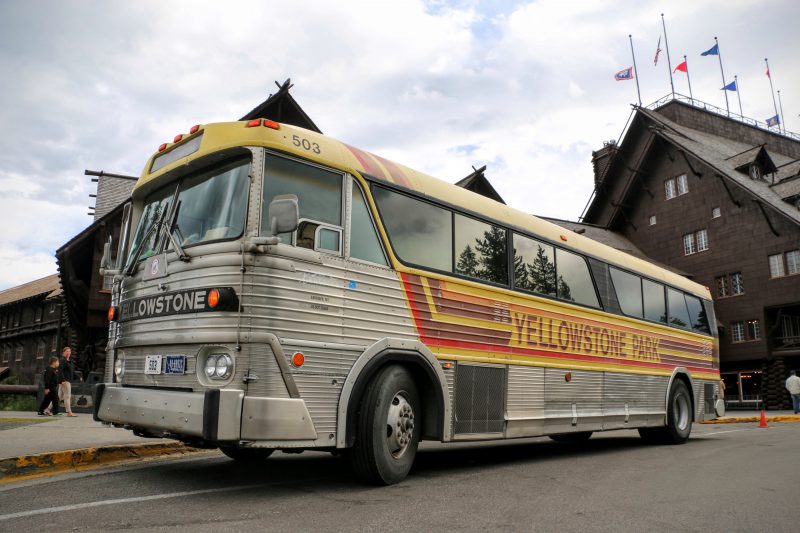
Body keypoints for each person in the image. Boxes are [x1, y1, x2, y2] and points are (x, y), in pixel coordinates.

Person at [58, 347, 77, 417]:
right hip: (65, 381)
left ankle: (47, 409)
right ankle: (69, 412)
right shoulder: (62, 360)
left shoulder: (68, 361)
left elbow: (72, 371)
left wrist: (79, 377)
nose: (69, 353)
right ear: (64, 352)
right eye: (67, 351)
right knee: (67, 396)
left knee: (59, 397)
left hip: (66, 381)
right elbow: (60, 370)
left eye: (70, 351)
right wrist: (62, 380)